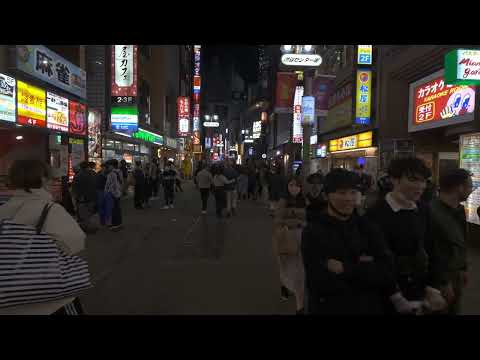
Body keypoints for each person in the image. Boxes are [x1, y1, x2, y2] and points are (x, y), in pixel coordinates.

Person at [302, 168, 400, 315]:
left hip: (369, 307)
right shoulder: (313, 231)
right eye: (341, 193)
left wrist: (345, 268)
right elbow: (319, 281)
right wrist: (366, 268)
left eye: (353, 192)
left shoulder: (367, 227)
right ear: (326, 196)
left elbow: (387, 270)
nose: (348, 198)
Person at [0, 159, 86, 315]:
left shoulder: (3, 208)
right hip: (49, 298)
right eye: (50, 178)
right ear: (41, 179)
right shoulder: (50, 209)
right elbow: (76, 243)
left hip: (8, 297)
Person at [366, 158, 447, 314]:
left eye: (423, 181)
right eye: (413, 180)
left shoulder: (423, 209)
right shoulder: (375, 214)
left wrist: (434, 286)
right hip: (388, 296)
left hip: (421, 291)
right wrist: (396, 297)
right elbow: (377, 260)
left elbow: (432, 247)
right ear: (394, 180)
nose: (420, 186)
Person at [428, 168, 474, 315]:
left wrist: (463, 267)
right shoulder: (431, 212)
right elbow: (432, 250)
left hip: (456, 275)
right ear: (459, 187)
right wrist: (443, 281)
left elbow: (461, 241)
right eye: (470, 186)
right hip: (439, 279)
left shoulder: (459, 209)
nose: (471, 190)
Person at [272, 177, 307, 314]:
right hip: (285, 237)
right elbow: (278, 219)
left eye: (297, 185)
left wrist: (292, 214)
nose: (294, 188)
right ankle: (284, 285)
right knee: (285, 265)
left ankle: (300, 306)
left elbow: (307, 216)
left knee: (299, 270)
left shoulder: (304, 200)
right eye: (291, 185)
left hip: (301, 237)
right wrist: (297, 220)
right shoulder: (282, 200)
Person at [72, 161, 97, 232]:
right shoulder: (94, 173)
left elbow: (75, 187)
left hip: (82, 198)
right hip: (92, 197)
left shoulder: (78, 175)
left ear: (81, 167)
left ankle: (86, 228)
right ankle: (91, 226)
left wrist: (76, 196)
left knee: (83, 214)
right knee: (90, 213)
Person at [105, 159, 123, 231]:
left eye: (109, 166)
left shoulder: (111, 174)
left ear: (112, 166)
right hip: (118, 193)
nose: (108, 167)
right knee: (117, 209)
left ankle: (115, 224)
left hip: (113, 194)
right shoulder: (119, 172)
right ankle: (119, 223)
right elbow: (121, 182)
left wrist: (107, 192)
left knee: (114, 209)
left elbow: (109, 185)